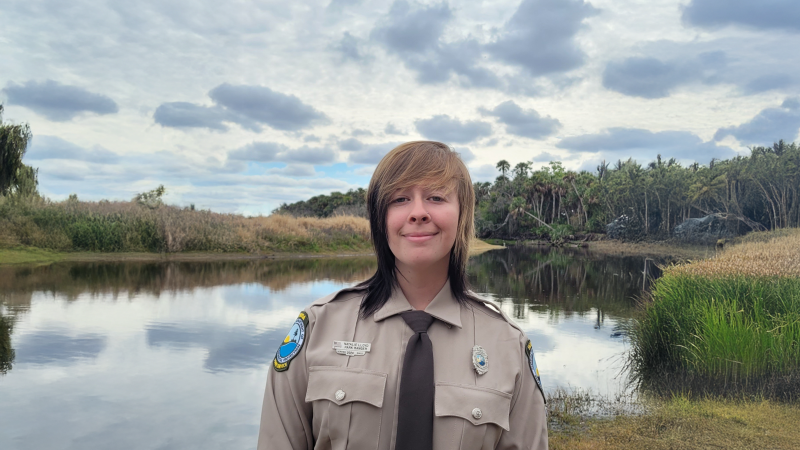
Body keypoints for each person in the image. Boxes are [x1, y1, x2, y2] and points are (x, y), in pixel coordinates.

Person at [257, 141, 547, 450]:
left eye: (436, 197)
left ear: (462, 215)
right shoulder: (319, 326)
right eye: (400, 199)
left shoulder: (508, 345)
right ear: (380, 218)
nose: (418, 213)